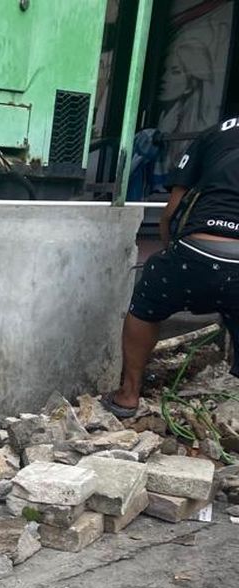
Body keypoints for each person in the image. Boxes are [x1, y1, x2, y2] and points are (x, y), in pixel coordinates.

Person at [105, 112, 239, 418]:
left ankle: (128, 395)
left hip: (196, 250)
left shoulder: (215, 133)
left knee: (146, 304)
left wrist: (174, 256)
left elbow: (172, 213)